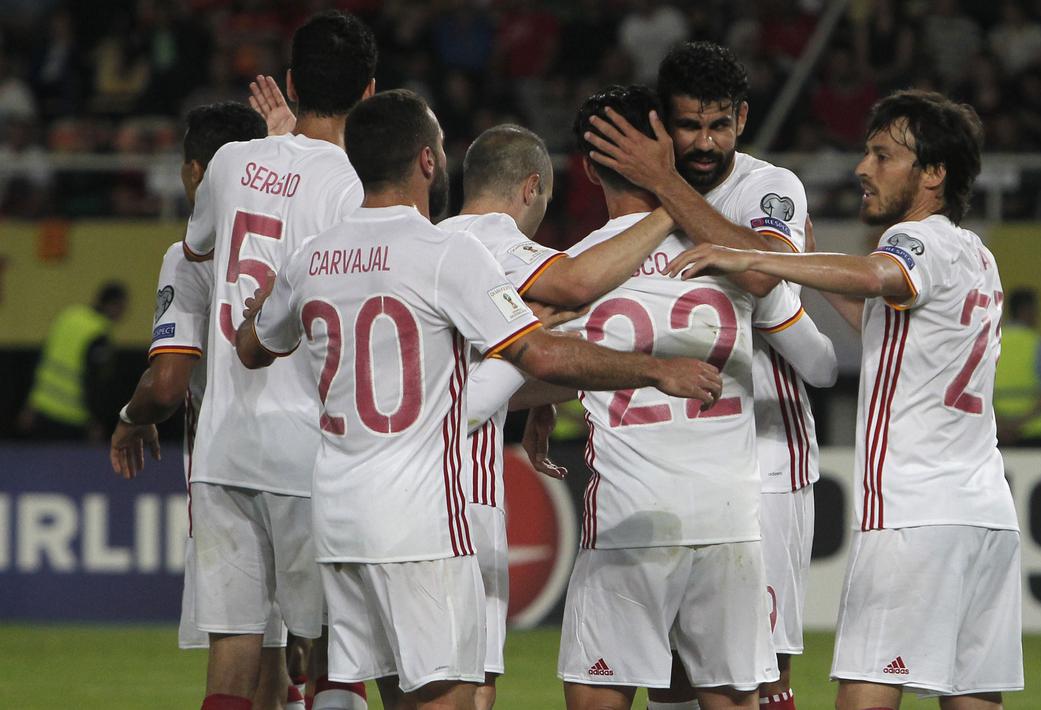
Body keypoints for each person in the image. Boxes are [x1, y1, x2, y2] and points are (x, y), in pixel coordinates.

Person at [233, 88, 722, 710]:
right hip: (418, 521)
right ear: (428, 161)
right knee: (452, 699)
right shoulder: (445, 251)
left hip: (337, 515)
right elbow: (540, 353)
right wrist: (654, 369)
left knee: (378, 691)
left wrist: (262, 310)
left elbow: (253, 349)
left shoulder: (312, 258)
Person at [667, 89, 1023, 710]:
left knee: (866, 687)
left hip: (914, 511)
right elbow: (892, 334)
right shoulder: (977, 255)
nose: (863, 167)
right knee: (973, 696)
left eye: (883, 156)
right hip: (985, 512)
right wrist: (803, 264)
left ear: (934, 174)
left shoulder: (918, 244)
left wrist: (751, 256)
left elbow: (878, 274)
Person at [544, 84, 837, 710]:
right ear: (667, 153)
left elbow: (510, 374)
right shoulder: (727, 259)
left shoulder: (572, 272)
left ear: (588, 168)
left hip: (629, 520)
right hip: (730, 518)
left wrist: (560, 394)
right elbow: (820, 362)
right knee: (742, 692)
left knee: (609, 691)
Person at [437, 122, 679, 710]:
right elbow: (574, 287)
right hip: (457, 495)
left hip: (374, 478)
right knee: (466, 685)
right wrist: (678, 198)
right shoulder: (499, 246)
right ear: (530, 189)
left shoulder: (426, 240)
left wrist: (543, 391)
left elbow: (474, 379)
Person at [178, 11, 377, 710]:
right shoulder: (358, 185)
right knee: (329, 649)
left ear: (291, 82)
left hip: (224, 446)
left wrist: (275, 151)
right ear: (371, 92)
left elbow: (198, 248)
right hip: (311, 446)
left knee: (234, 647)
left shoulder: (232, 162)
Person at [105, 101, 303, 710]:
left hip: (228, 458)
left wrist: (130, 419)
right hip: (313, 452)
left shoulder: (187, 255)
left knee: (240, 643)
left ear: (197, 171)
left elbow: (167, 384)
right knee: (315, 649)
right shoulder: (310, 227)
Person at [21, 281, 128, 441]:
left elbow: (43, 361)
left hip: (41, 412)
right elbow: (93, 381)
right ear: (113, 305)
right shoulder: (99, 333)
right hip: (72, 420)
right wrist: (95, 421)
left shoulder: (69, 315)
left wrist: (30, 405)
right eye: (123, 307)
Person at [994, 288, 1041, 446]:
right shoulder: (1039, 345)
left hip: (997, 430)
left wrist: (1002, 424)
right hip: (1036, 432)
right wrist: (1019, 425)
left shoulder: (993, 342)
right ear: (1026, 310)